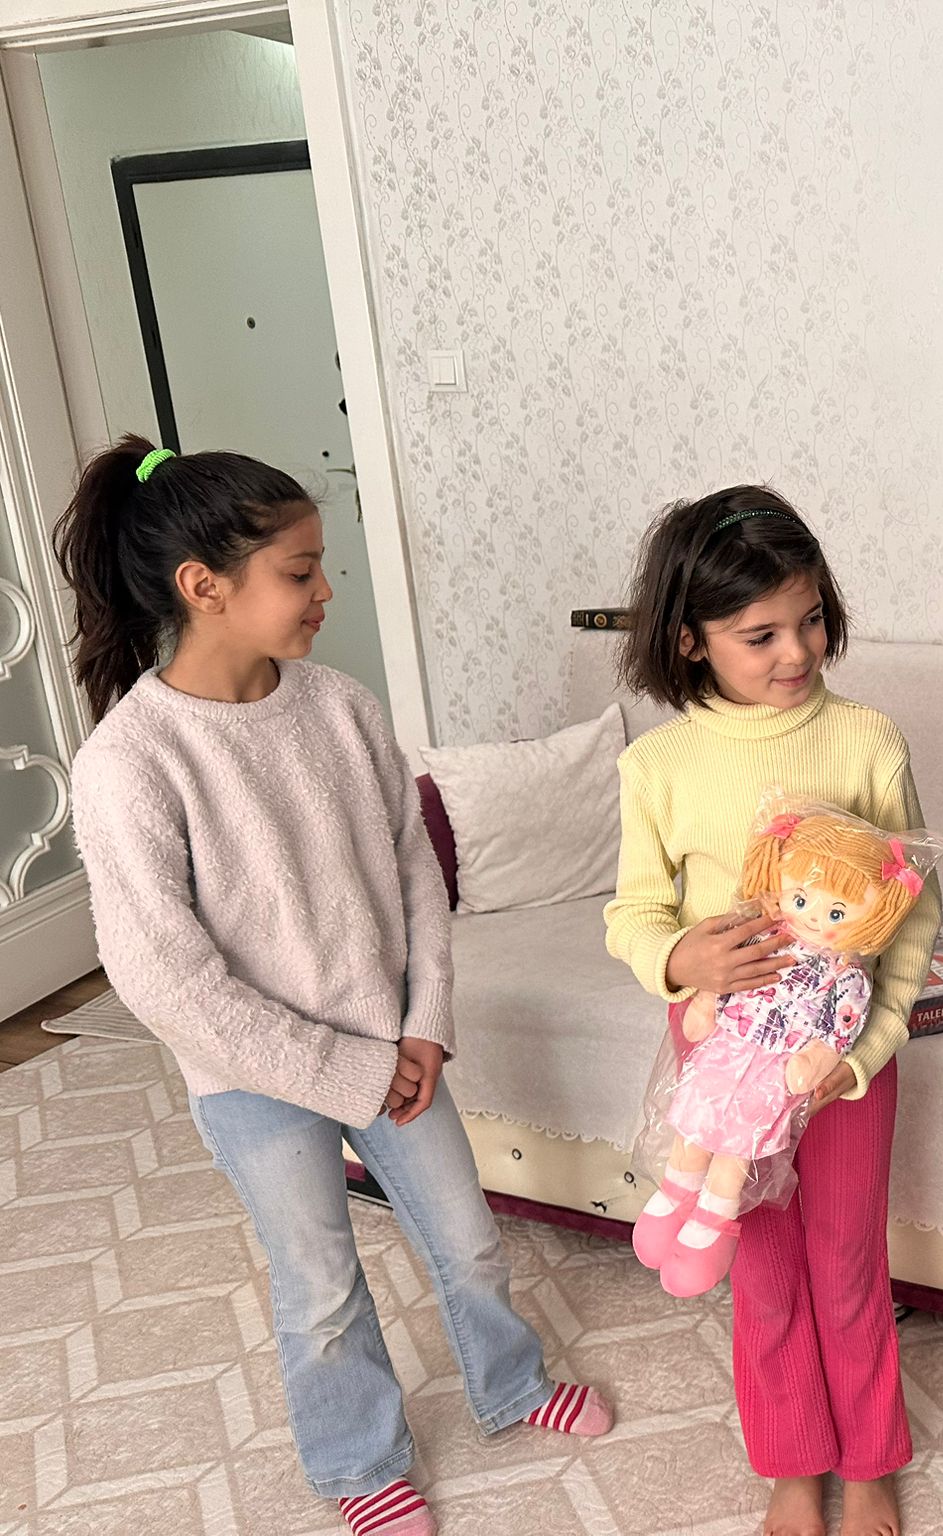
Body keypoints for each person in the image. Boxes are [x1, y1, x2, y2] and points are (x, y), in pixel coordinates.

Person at [59, 437, 611, 1536]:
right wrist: (346, 1070)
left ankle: (511, 1386)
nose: (325, 591)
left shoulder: (344, 709)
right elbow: (166, 978)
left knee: (468, 1238)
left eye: (321, 566)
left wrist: (424, 1025)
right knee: (319, 1284)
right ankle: (360, 1461)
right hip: (255, 1079)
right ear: (205, 587)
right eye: (300, 571)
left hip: (394, 1048)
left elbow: (414, 875)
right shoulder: (129, 762)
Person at [604, 485, 941, 1536]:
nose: (797, 651)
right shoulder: (657, 765)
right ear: (689, 640)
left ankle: (870, 1457)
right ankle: (792, 1463)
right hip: (722, 1040)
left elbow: (913, 920)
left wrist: (865, 1052)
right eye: (760, 635)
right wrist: (677, 956)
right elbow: (633, 910)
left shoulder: (866, 740)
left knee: (845, 1257)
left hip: (840, 1051)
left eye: (810, 620)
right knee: (761, 1261)